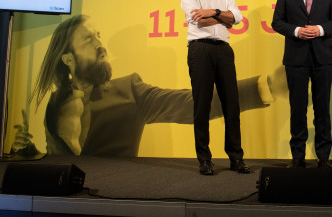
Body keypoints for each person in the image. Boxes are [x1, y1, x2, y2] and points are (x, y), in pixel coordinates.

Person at [14, 14, 272, 157]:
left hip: (114, 200)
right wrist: (29, 152)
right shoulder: (55, 102)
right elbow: (56, 156)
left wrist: (264, 87)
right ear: (68, 59)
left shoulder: (130, 90)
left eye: (98, 36)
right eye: (88, 40)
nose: (100, 45)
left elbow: (191, 104)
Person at [271, 0, 332, 168]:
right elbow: (277, 22)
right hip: (296, 59)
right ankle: (298, 157)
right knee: (298, 108)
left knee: (322, 108)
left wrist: (320, 29)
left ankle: (323, 158)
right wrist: (296, 31)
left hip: (323, 59)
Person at [181, 0, 249, 176]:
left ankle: (236, 158)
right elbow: (196, 19)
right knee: (202, 105)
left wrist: (214, 12)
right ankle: (204, 159)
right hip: (200, 50)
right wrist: (223, 17)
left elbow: (237, 18)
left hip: (223, 50)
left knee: (232, 104)